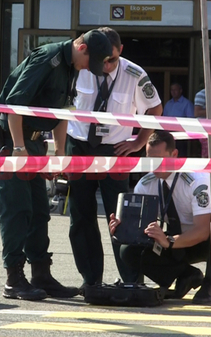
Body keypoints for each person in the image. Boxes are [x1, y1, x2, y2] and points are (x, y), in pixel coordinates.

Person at [0, 29, 113, 301]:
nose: (87, 68)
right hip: (14, 143)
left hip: (34, 145)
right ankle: (14, 278)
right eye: (89, 61)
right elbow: (15, 104)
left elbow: (62, 114)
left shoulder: (71, 66)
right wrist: (19, 148)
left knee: (39, 212)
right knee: (17, 210)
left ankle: (41, 275)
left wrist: (58, 152)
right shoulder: (47, 59)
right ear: (81, 47)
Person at [66, 27, 163, 290]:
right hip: (79, 147)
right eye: (102, 59)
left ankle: (131, 281)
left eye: (112, 59)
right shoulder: (80, 67)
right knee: (81, 215)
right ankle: (91, 279)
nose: (106, 65)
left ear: (121, 51)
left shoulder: (134, 73)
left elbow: (155, 108)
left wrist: (139, 141)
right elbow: (61, 105)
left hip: (114, 150)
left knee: (122, 216)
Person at [109, 130, 211, 305]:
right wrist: (123, 228)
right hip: (173, 243)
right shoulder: (145, 184)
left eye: (159, 159)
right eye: (149, 159)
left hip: (206, 242)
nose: (154, 165)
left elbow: (202, 231)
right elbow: (141, 232)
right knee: (127, 250)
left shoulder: (197, 180)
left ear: (175, 154)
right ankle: (187, 275)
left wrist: (169, 241)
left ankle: (210, 285)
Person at [163, 82, 194, 157]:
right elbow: (164, 119)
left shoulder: (187, 103)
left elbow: (191, 120)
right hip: (169, 135)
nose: (173, 92)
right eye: (172, 90)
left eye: (175, 90)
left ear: (180, 90)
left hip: (181, 135)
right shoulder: (168, 104)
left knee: (181, 155)